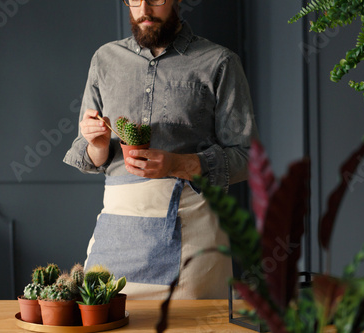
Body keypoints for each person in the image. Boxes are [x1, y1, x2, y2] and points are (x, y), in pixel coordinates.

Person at [63, 0, 258, 299]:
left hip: (193, 238)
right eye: (135, 0)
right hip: (118, 235)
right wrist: (98, 145)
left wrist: (178, 165)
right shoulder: (105, 59)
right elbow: (90, 155)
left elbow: (247, 157)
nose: (144, 10)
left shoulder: (219, 62)